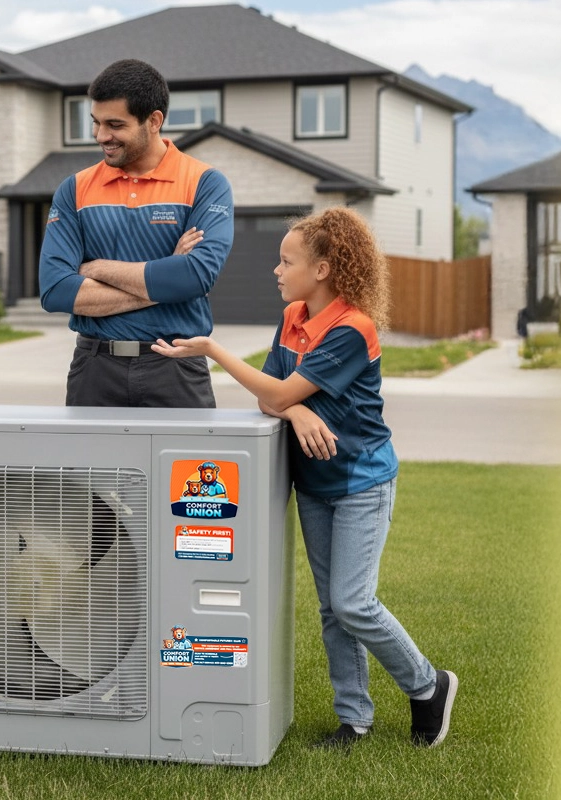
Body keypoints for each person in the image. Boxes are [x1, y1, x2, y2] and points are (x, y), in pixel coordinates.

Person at [152, 207, 458, 749]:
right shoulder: (293, 314)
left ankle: (428, 684)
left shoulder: (351, 328)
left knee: (352, 602)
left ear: (322, 269)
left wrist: (215, 350)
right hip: (314, 482)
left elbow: (275, 390)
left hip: (362, 482)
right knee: (331, 609)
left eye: (286, 260)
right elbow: (273, 390)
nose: (276, 269)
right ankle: (355, 718)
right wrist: (293, 410)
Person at [38, 58, 234, 408]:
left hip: (177, 367)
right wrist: (166, 273)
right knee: (90, 466)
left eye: (115, 125)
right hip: (94, 368)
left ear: (154, 121)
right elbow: (55, 290)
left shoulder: (205, 183)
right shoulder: (75, 189)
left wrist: (96, 268)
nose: (101, 136)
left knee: (187, 466)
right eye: (96, 123)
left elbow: (196, 276)